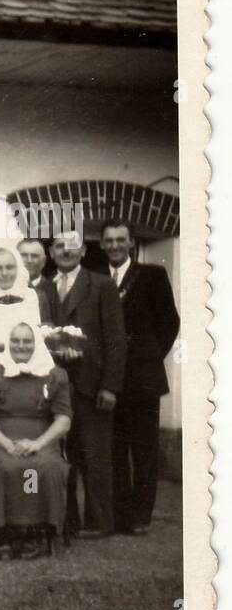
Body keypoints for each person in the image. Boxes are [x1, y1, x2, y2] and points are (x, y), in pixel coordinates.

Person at [40, 230, 127, 538]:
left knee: (95, 454)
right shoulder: (43, 288)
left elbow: (116, 339)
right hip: (56, 384)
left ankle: (100, 521)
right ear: (51, 252)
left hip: (92, 382)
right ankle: (68, 520)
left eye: (72, 246)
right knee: (65, 453)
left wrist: (110, 386)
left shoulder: (101, 284)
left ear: (84, 252)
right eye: (59, 246)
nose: (65, 251)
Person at [101, 219, 180, 536]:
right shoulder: (96, 278)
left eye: (121, 240)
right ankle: (120, 516)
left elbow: (170, 322)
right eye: (109, 240)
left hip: (144, 379)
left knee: (144, 450)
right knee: (115, 450)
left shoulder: (152, 275)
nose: (115, 246)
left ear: (132, 243)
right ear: (102, 244)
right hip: (111, 379)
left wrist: (148, 356)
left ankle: (140, 517)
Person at [0, 322, 73, 559]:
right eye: (15, 341)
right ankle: (4, 532)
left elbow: (64, 420)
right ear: (8, 344)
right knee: (5, 465)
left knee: (43, 466)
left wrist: (38, 444)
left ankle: (36, 531)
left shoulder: (55, 375)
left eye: (27, 341)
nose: (21, 346)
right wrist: (7, 444)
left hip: (41, 438)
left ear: (36, 344)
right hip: (0, 439)